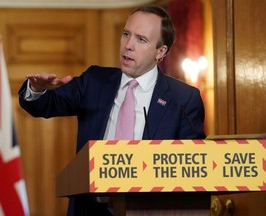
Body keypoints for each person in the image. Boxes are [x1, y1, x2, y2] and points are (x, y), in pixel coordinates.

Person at [18, 5, 206, 216]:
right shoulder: (94, 81)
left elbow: (194, 167)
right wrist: (36, 89)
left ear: (160, 52)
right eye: (126, 34)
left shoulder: (183, 98)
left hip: (151, 209)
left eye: (141, 39)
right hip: (90, 209)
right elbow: (44, 105)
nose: (128, 45)